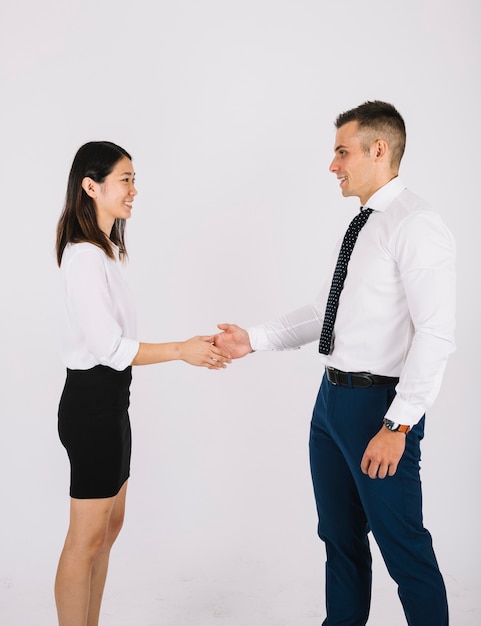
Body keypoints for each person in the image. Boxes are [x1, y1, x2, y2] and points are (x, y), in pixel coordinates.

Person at [214, 101, 455, 625]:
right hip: (331, 405)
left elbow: (436, 335)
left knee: (403, 547)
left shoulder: (417, 225)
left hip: (380, 409)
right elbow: (330, 315)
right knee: (339, 539)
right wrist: (252, 340)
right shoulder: (364, 225)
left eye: (342, 152)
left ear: (379, 149)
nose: (333, 165)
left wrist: (398, 423)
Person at [54, 141, 231, 626]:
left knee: (108, 529)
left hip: (112, 404)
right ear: (91, 186)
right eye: (125, 179)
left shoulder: (105, 253)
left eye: (134, 179)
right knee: (84, 539)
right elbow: (109, 348)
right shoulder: (84, 258)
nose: (134, 190)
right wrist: (181, 350)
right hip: (91, 405)